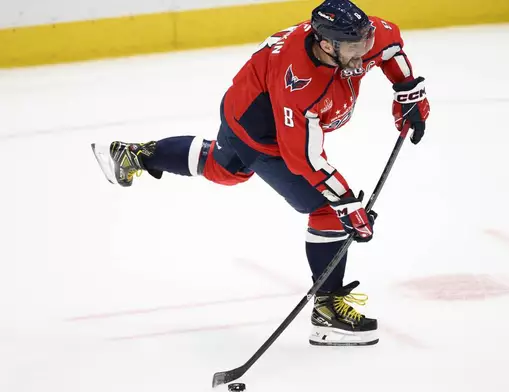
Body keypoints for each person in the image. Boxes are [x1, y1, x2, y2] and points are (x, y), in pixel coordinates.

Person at [91, 0, 430, 346]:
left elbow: (390, 48)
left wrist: (407, 93)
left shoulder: (356, 38)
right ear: (327, 45)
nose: (363, 55)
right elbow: (303, 159)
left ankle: (136, 156)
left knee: (223, 170)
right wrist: (346, 204)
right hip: (263, 133)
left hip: (242, 101)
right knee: (327, 209)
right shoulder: (301, 84)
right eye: (355, 49)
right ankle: (327, 312)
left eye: (365, 43)